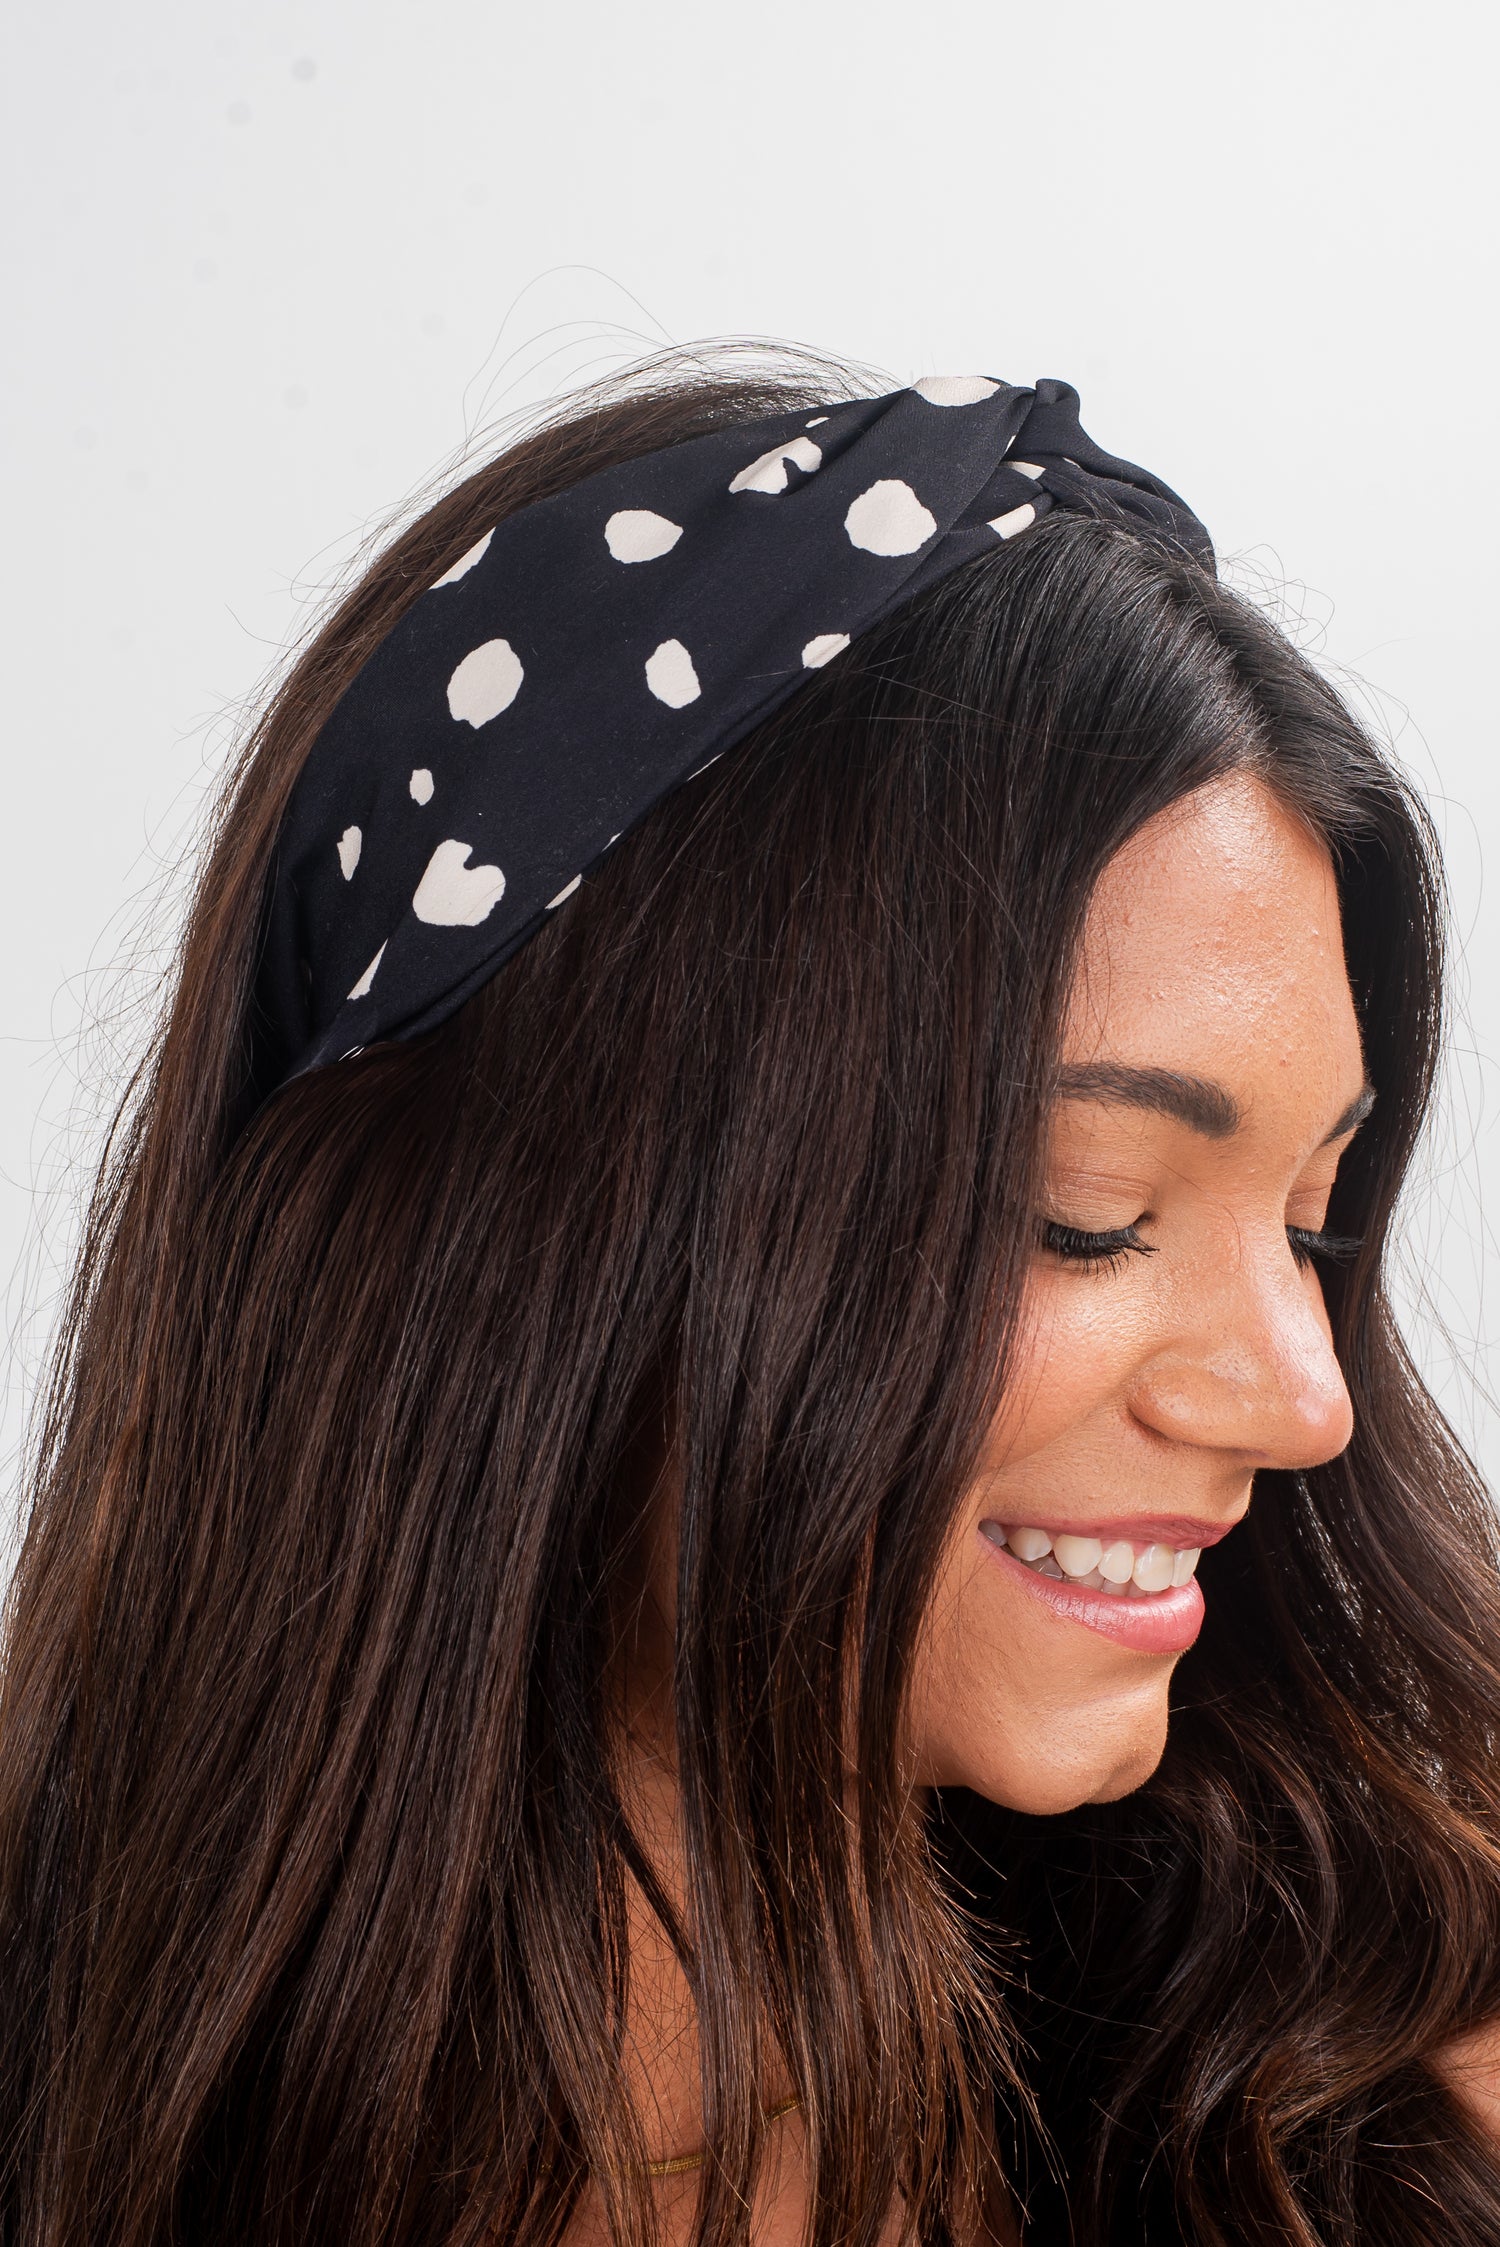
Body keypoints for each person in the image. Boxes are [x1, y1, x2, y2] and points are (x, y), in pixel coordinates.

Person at [3, 346, 1500, 2247]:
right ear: (527, 1238)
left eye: (1310, 1223)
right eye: (1089, 1215)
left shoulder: (1389, 2127)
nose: (1303, 1400)